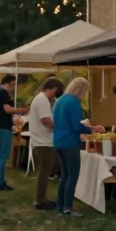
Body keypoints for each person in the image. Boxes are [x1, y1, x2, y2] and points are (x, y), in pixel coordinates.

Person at [53, 77, 98, 216]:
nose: (84, 94)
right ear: (80, 89)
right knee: (72, 176)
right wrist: (92, 130)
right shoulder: (73, 102)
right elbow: (76, 126)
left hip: (58, 141)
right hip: (70, 143)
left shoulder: (60, 100)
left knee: (64, 176)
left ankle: (60, 207)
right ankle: (68, 208)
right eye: (84, 91)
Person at [28, 77, 64, 210]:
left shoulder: (40, 98)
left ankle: (42, 198)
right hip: (43, 141)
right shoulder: (42, 100)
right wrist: (61, 127)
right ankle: (39, 201)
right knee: (44, 171)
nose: (55, 97)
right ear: (54, 89)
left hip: (41, 140)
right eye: (56, 93)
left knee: (44, 171)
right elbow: (46, 120)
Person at [0, 75, 28, 191]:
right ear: (10, 82)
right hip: (2, 127)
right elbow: (8, 109)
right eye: (14, 83)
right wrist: (24, 110)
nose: (14, 86)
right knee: (2, 155)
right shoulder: (2, 92)